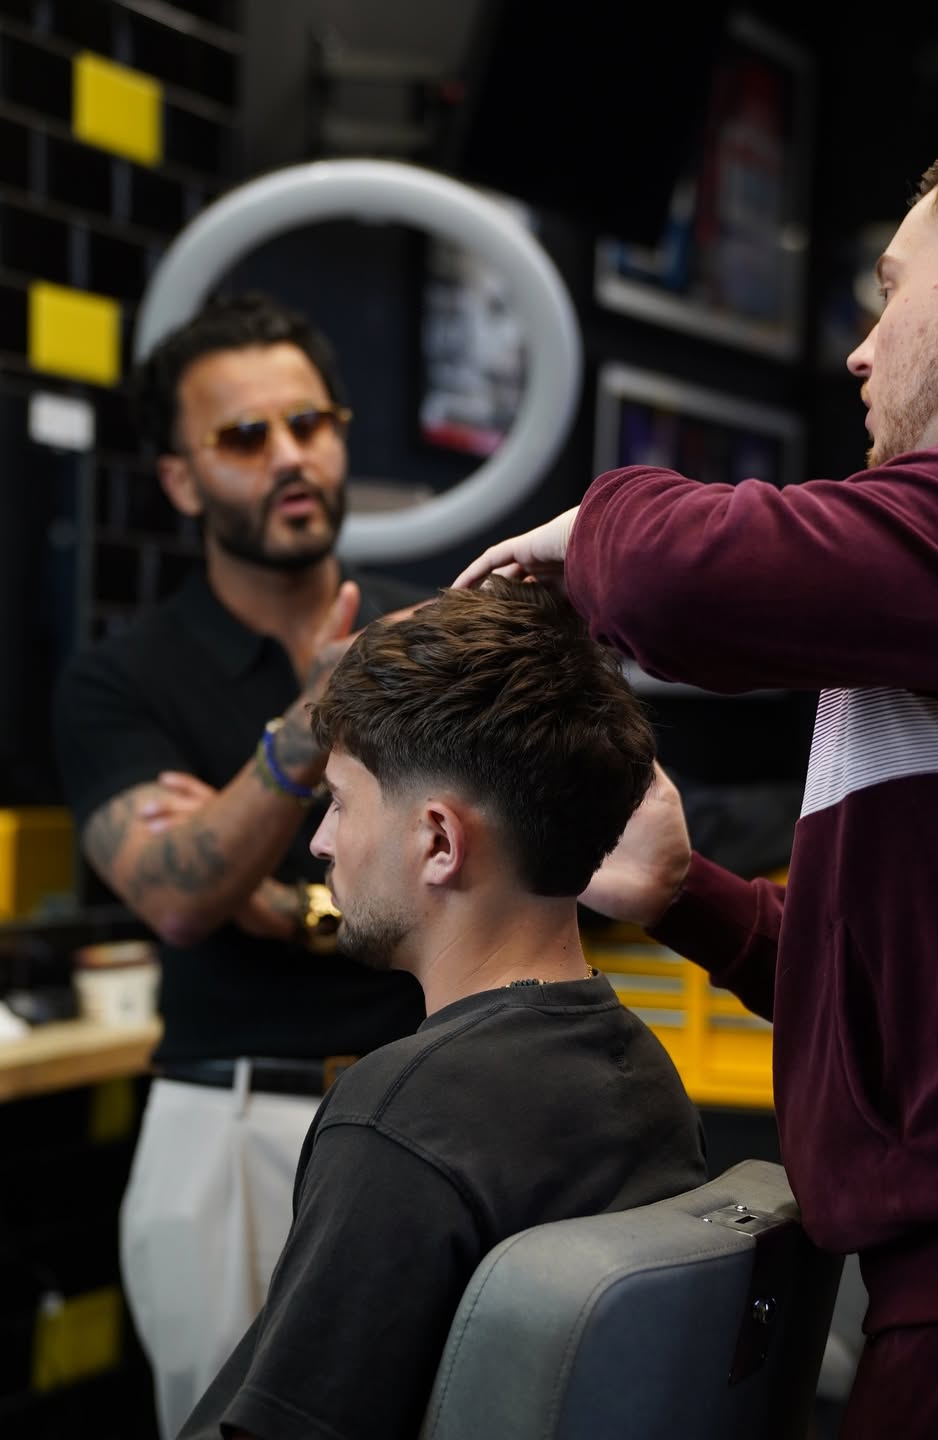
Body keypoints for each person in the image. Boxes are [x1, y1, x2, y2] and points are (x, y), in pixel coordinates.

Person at [454, 122, 938, 1437]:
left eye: (891, 288)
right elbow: (935, 976)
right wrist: (693, 898)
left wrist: (592, 525)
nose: (860, 347)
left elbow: (679, 577)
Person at [176, 577, 708, 1440]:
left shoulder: (403, 1123)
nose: (318, 842)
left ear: (437, 841)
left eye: (340, 803)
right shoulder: (646, 1077)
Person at [53, 293, 430, 1437]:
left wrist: (281, 899)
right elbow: (175, 893)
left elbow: (495, 877)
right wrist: (302, 735)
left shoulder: (421, 648)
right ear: (179, 481)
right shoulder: (121, 678)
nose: (290, 457)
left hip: (421, 1114)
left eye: (309, 424)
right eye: (243, 437)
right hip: (230, 1128)